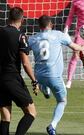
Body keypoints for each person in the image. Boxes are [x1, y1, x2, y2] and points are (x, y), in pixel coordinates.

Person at [28, 15, 84, 135]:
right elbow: (74, 47)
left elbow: (23, 51)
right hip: (54, 76)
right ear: (51, 25)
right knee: (62, 101)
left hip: (38, 75)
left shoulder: (32, 39)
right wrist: (83, 47)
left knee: (45, 82)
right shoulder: (58, 34)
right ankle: (52, 126)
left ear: (39, 26)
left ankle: (45, 90)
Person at [0, 7, 38, 135]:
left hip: (0, 79)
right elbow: (26, 63)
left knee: (5, 116)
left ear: (8, 17)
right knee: (31, 112)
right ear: (22, 19)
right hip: (12, 78)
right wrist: (34, 81)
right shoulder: (21, 36)